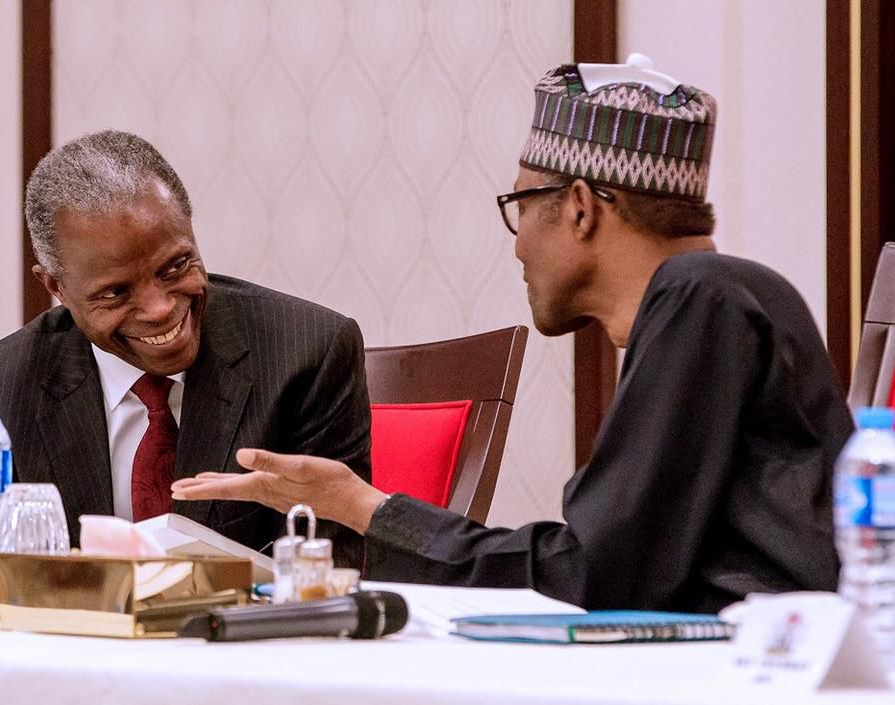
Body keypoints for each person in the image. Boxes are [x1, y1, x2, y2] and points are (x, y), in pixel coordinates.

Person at [171, 60, 853, 611]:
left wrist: (362, 506)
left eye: (520, 206)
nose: (518, 246)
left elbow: (593, 574)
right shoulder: (728, 293)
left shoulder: (699, 296)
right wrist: (359, 505)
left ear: (581, 208)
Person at [0, 130, 371, 567]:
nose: (160, 308)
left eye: (175, 266)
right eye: (115, 293)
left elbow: (328, 574)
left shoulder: (305, 354)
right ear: (56, 287)